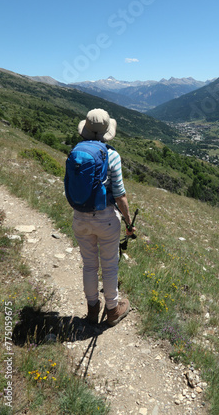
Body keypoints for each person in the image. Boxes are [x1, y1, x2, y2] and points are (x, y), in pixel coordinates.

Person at [71, 108, 135, 326]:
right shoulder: (112, 156)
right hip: (106, 218)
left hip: (80, 217)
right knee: (109, 266)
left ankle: (91, 309)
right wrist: (128, 222)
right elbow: (120, 195)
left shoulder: (76, 152)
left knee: (89, 265)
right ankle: (112, 310)